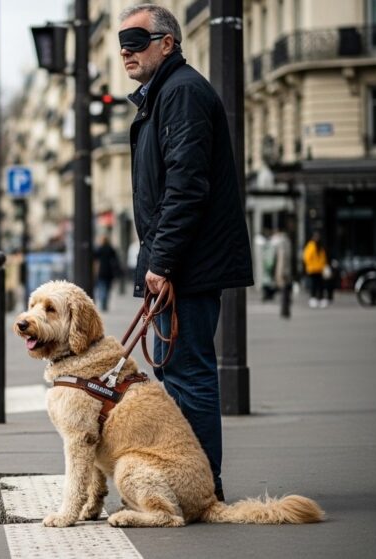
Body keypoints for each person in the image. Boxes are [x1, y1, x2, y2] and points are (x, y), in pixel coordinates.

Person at [120, 3, 253, 502]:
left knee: (189, 374)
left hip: (186, 266)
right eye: (121, 45)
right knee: (177, 374)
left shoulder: (181, 93)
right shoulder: (165, 95)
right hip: (182, 262)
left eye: (136, 42)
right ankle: (191, 481)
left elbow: (186, 186)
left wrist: (162, 262)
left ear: (167, 43)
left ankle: (202, 488)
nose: (125, 53)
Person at [93, 235, 120, 311]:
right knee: (107, 288)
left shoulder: (99, 249)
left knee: (102, 287)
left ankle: (102, 303)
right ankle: (105, 303)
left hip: (101, 271)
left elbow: (94, 257)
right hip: (109, 272)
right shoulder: (111, 249)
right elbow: (115, 260)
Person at [302, 231, 328, 308]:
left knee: (320, 285)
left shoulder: (320, 246)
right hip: (312, 269)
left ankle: (321, 298)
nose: (317, 238)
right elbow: (306, 257)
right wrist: (311, 265)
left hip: (320, 269)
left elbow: (323, 257)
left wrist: (324, 266)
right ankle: (313, 299)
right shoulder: (311, 246)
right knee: (313, 285)